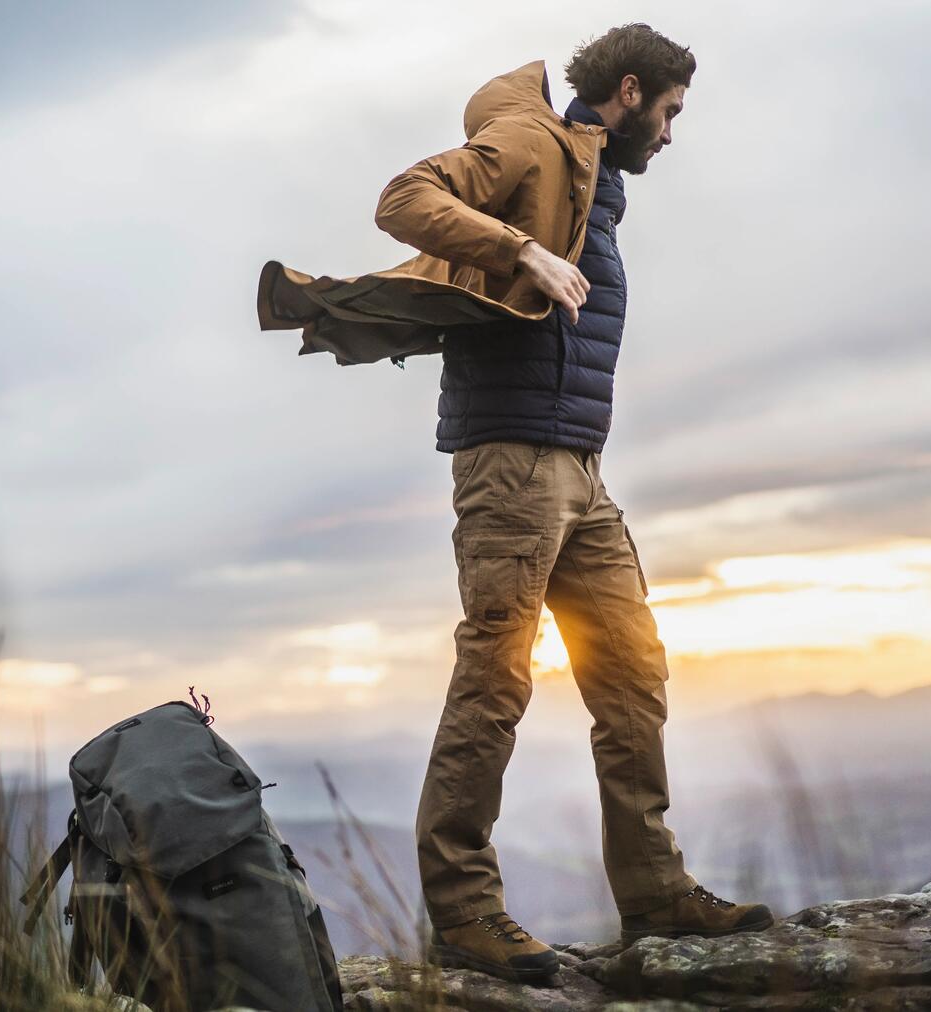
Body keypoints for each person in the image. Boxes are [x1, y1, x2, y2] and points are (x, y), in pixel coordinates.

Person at [255, 23, 774, 987]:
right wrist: (522, 251)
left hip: (579, 467)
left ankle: (655, 891)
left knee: (630, 669)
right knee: (496, 678)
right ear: (628, 92)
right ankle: (465, 915)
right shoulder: (533, 146)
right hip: (511, 465)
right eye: (667, 114)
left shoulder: (593, 181)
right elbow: (403, 198)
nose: (669, 136)